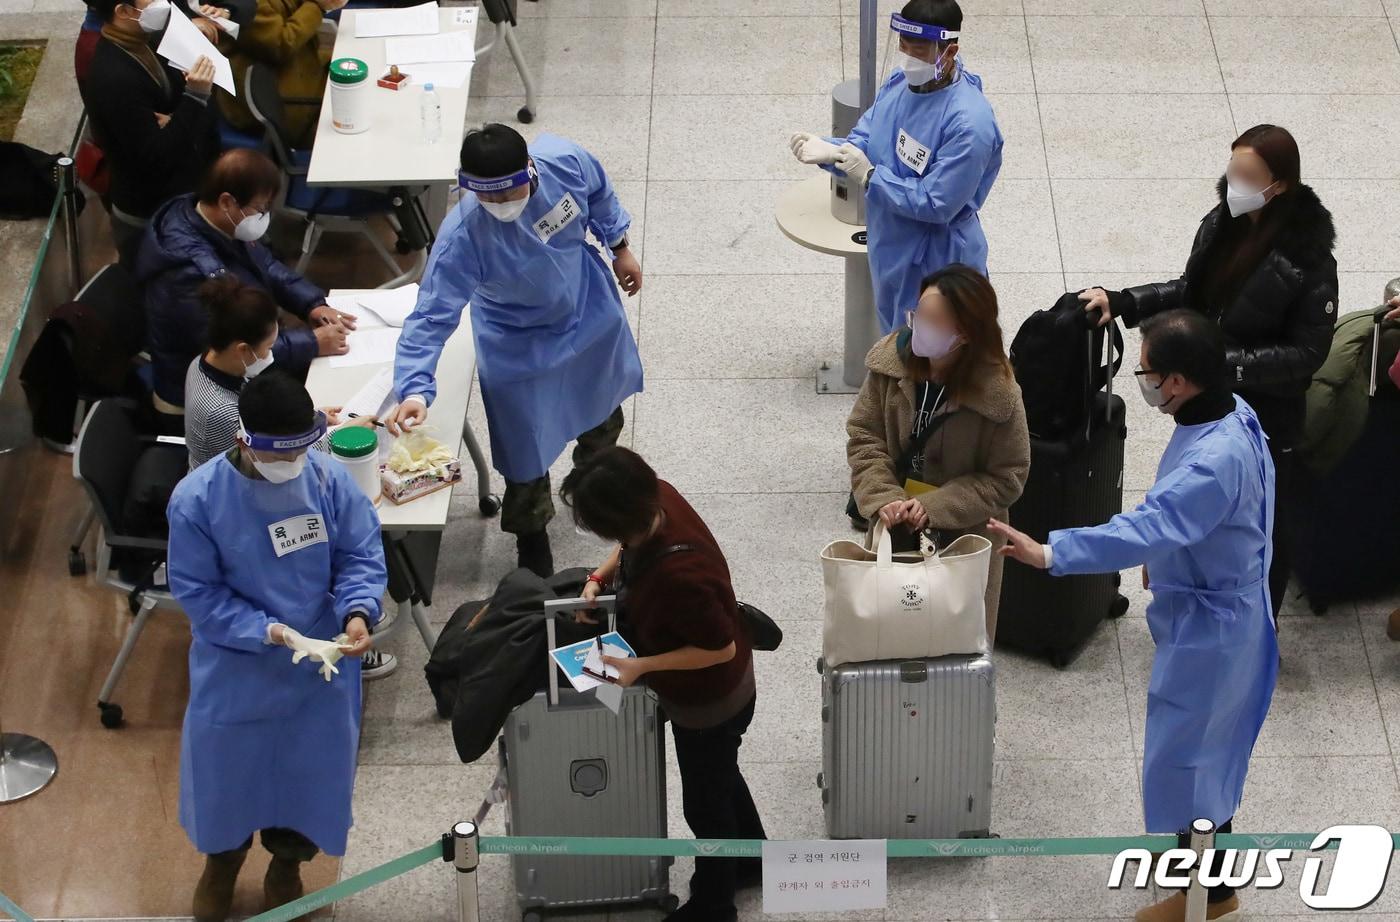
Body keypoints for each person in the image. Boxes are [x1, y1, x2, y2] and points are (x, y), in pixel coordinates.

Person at [990, 309, 1278, 922]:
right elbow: (1215, 518)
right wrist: (1172, 556)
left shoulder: (1212, 460)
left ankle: (1209, 897)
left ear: (1177, 382)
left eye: (1147, 370)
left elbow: (1155, 521)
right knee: (1204, 760)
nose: (1142, 380)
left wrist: (1050, 552)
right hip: (1223, 609)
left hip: (1215, 633)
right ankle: (1203, 881)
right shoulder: (1231, 411)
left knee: (1193, 765)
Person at [1079, 124, 1335, 620]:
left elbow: (1306, 354)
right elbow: (1191, 291)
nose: (1233, 181)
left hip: (1267, 415)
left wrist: (1225, 367)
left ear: (1279, 184)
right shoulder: (1222, 223)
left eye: (1247, 174)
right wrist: (1127, 301)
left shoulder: (1311, 263)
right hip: (1213, 401)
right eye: (1232, 169)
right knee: (1194, 495)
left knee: (1265, 525)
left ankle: (1260, 623)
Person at [166, 371, 387, 922]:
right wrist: (271, 631)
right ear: (245, 442)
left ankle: (286, 866)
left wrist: (357, 612)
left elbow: (360, 552)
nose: (295, 466)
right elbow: (199, 592)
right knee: (227, 784)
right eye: (281, 455)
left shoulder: (325, 479)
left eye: (303, 450)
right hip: (237, 669)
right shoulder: (198, 501)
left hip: (320, 673)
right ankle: (221, 865)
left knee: (306, 781)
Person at [386, 124, 644, 578]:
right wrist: (413, 389)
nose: (503, 207)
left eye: (510, 193)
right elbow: (430, 318)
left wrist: (620, 246)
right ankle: (531, 536)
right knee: (524, 452)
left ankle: (592, 492)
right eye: (490, 199)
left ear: (529, 169)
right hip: (516, 345)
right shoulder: (462, 236)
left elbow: (600, 194)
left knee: (603, 419)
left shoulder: (566, 162)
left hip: (588, 319)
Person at [562, 447, 765, 922]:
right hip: (720, 691)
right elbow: (627, 545)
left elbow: (720, 650)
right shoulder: (659, 498)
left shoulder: (682, 575)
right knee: (720, 775)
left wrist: (642, 667)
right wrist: (598, 577)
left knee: (705, 803)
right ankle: (752, 858)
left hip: (709, 702)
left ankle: (716, 904)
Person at [788, 0, 1002, 335]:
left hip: (939, 263)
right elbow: (866, 138)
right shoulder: (899, 85)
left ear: (949, 51)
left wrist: (871, 176)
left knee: (941, 357)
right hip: (893, 249)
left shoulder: (968, 125)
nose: (908, 61)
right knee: (896, 347)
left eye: (918, 51)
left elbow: (937, 203)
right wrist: (834, 153)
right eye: (903, 47)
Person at [846, 264, 1028, 640]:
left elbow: (1007, 477)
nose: (918, 327)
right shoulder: (889, 364)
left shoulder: (999, 393)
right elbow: (865, 436)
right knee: (889, 637)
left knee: (956, 648)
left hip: (964, 541)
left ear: (964, 333)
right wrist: (884, 497)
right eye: (918, 314)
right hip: (894, 527)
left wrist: (936, 507)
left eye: (933, 321)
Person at [135, 148, 353, 427]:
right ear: (227, 201)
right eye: (261, 209)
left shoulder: (213, 221)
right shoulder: (186, 276)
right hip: (207, 402)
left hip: (246, 368)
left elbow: (268, 267)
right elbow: (232, 351)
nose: (264, 217)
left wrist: (312, 304)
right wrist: (312, 343)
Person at [81, 0, 225, 260]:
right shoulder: (113, 77)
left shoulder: (150, 42)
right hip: (152, 220)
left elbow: (200, 121)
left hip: (184, 200)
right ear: (123, 11)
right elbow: (158, 155)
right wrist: (194, 98)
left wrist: (178, 118)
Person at [219, 0, 348, 148]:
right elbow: (280, 44)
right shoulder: (246, 5)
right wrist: (318, 6)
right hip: (285, 107)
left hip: (309, 82)